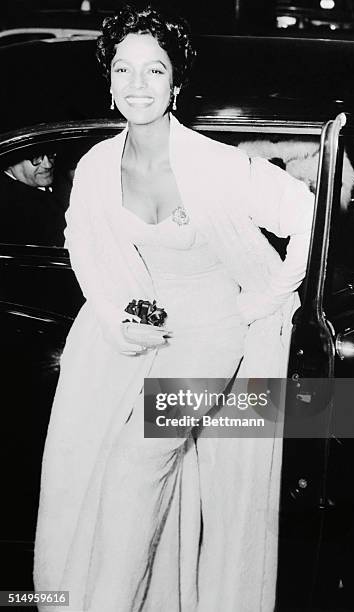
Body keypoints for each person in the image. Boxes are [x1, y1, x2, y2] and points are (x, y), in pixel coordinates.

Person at [34, 3, 314, 611]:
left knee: (135, 469)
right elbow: (79, 240)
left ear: (177, 82)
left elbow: (304, 216)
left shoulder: (216, 166)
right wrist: (112, 316)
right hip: (142, 340)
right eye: (124, 71)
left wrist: (263, 297)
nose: (138, 86)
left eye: (154, 71)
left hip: (211, 336)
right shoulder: (96, 166)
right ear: (109, 81)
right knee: (97, 479)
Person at [0, 152, 67, 246]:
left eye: (50, 154)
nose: (48, 165)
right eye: (36, 158)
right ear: (10, 162)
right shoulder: (8, 209)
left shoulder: (62, 178)